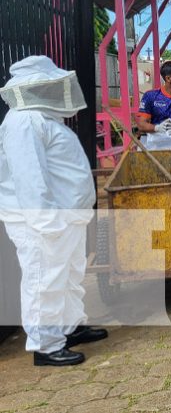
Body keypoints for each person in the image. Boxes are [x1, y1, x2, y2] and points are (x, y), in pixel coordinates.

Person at [0, 56, 108, 366]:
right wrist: (46, 223)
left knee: (68, 274)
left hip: (63, 216)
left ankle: (69, 327)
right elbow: (30, 178)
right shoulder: (23, 122)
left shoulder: (42, 119)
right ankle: (46, 345)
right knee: (43, 279)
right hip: (41, 221)